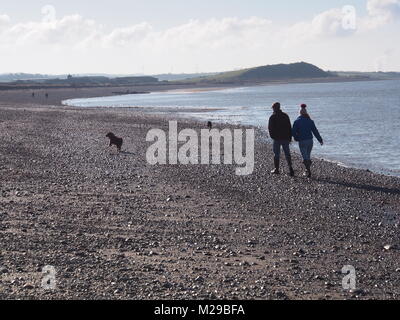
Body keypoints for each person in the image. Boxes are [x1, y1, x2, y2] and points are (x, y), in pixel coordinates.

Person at [292, 104, 323, 178]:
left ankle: (308, 172)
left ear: (299, 113)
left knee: (305, 157)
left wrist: (296, 138)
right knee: (307, 156)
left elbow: (293, 132)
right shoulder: (310, 121)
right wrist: (320, 140)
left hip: (302, 141)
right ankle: (307, 169)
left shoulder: (297, 121)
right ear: (306, 112)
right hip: (310, 141)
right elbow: (315, 131)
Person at [268, 102, 295, 176]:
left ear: (274, 108)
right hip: (285, 138)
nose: (272, 109)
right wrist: (290, 137)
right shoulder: (285, 116)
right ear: (279, 107)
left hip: (276, 139)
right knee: (287, 154)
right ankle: (290, 168)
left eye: (273, 108)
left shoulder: (272, 117)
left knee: (276, 154)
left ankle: (276, 169)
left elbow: (270, 128)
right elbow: (289, 127)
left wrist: (272, 136)